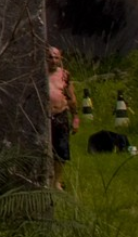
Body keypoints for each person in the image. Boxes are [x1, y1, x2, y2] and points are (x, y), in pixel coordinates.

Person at [49, 46, 79, 189]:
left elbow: (72, 98)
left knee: (61, 149)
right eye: (50, 57)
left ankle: (56, 181)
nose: (52, 60)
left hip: (61, 114)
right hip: (45, 117)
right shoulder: (39, 75)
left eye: (56, 57)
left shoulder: (64, 75)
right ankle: (45, 179)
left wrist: (75, 118)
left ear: (60, 59)